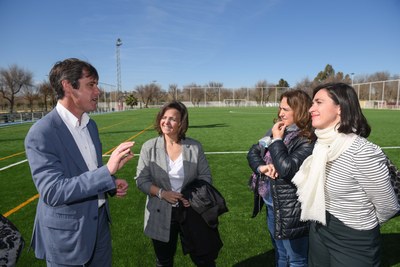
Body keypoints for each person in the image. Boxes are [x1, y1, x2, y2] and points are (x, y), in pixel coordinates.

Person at [24, 58, 134, 267]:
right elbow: (52, 191)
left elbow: (87, 170)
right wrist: (106, 171)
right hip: (67, 236)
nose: (98, 91)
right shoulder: (42, 132)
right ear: (68, 86)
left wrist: (111, 181)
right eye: (91, 84)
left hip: (99, 223)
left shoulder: (90, 125)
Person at [292, 82, 400, 266]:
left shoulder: (362, 152)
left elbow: (388, 206)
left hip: (353, 239)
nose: (311, 109)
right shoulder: (322, 143)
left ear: (340, 108)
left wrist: (357, 223)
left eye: (318, 102)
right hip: (319, 227)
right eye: (312, 103)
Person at [135, 101, 225, 267]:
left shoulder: (194, 147)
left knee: (203, 259)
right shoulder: (149, 147)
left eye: (172, 119)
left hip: (191, 211)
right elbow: (141, 181)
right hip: (160, 212)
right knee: (164, 261)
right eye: (164, 117)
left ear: (181, 123)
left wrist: (189, 195)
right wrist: (162, 193)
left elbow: (206, 176)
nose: (166, 122)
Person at [247, 89, 316, 267]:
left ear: (299, 110)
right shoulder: (278, 130)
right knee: (280, 253)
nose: (280, 113)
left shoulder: (307, 138)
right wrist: (262, 167)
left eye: (285, 109)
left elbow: (286, 168)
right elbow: (253, 151)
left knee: (296, 258)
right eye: (280, 108)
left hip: (292, 208)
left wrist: (277, 140)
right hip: (272, 203)